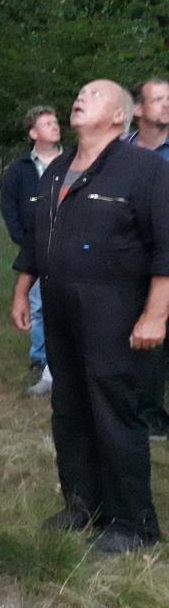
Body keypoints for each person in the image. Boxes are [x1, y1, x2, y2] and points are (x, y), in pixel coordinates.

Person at [10, 79, 169, 554]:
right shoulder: (57, 170)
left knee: (114, 409)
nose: (80, 98)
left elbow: (166, 247)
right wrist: (22, 289)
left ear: (120, 116)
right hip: (60, 305)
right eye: (78, 93)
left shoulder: (144, 171)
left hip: (115, 307)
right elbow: (38, 239)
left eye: (95, 95)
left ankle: (133, 524)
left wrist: (156, 315)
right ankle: (84, 504)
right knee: (70, 408)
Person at [0, 106, 62, 396]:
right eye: (47, 123)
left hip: (67, 244)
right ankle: (40, 359)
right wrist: (21, 238)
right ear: (33, 133)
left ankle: (63, 366)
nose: (54, 127)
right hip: (34, 246)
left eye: (55, 122)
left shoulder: (72, 161)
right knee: (36, 304)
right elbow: (9, 204)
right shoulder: (20, 167)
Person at [126, 79, 169, 440]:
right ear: (138, 109)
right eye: (159, 100)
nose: (167, 105)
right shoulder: (119, 152)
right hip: (132, 261)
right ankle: (146, 413)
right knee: (144, 340)